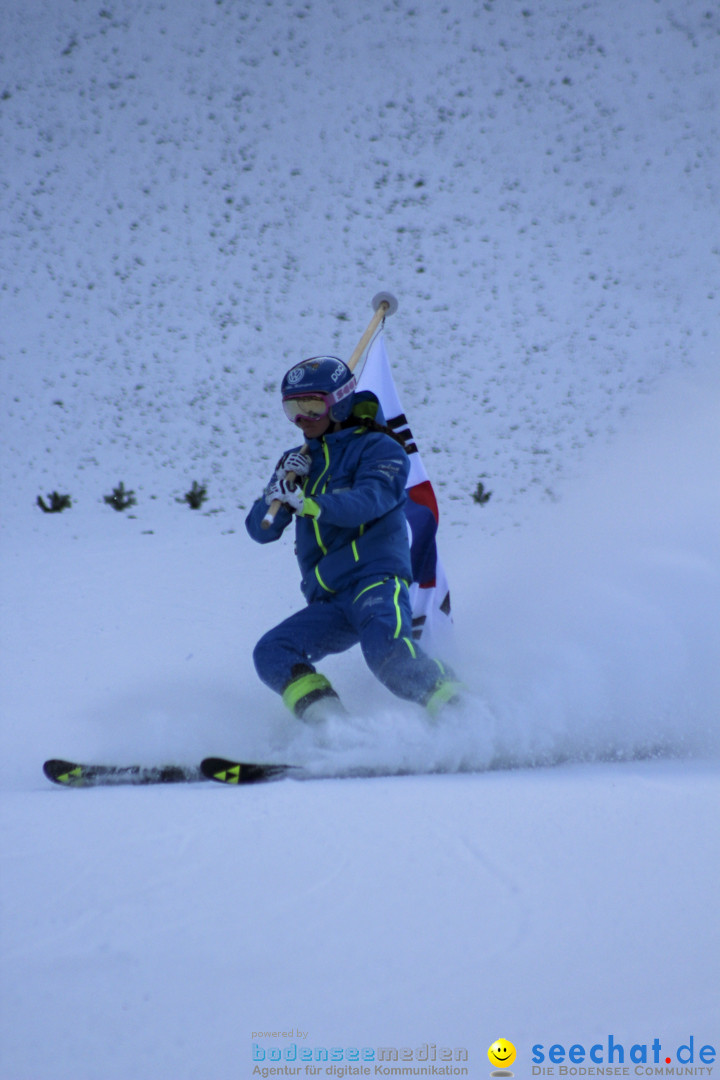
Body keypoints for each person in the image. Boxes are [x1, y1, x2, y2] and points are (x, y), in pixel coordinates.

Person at [245, 355, 462, 724]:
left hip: (374, 580)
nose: (302, 419)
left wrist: (308, 503)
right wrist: (279, 494)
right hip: (329, 596)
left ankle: (465, 715)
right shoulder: (297, 461)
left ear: (340, 403)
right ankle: (333, 728)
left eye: (312, 407)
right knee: (272, 652)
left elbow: (368, 501)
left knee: (388, 655)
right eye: (292, 409)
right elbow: (260, 530)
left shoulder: (381, 449)